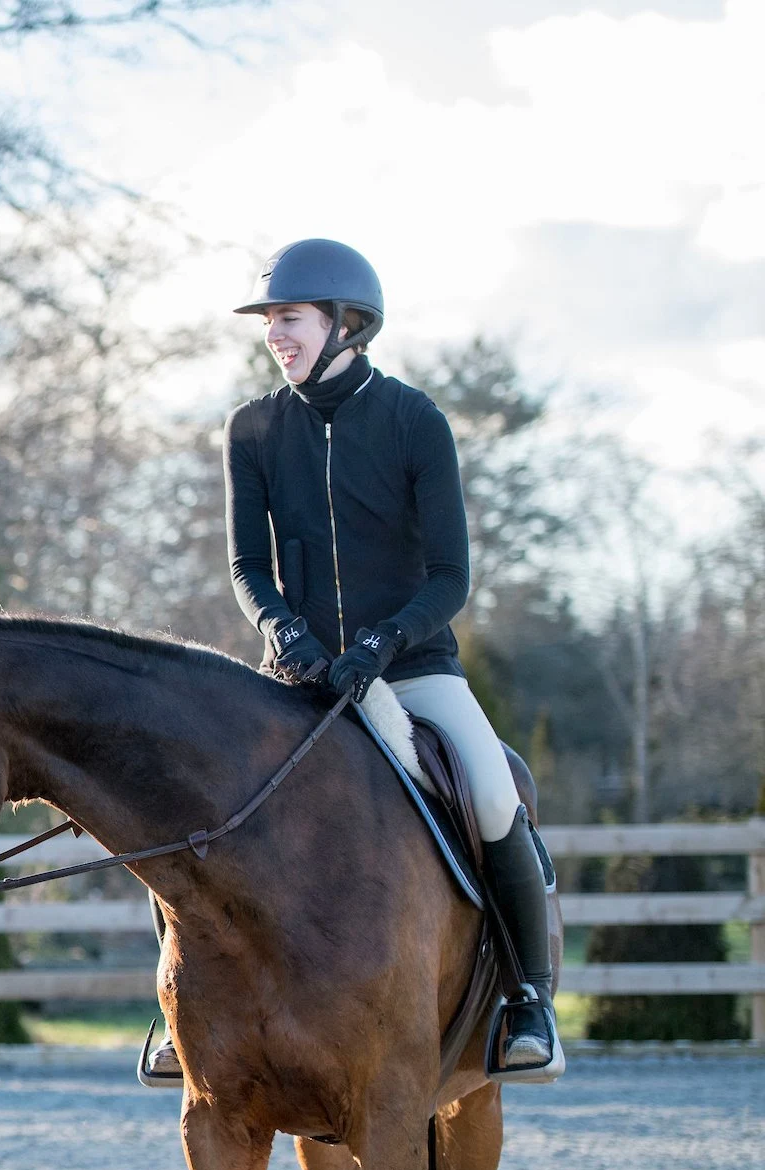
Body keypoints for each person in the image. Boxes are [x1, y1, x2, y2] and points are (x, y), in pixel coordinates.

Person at [140, 238, 558, 1086]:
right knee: (189, 808)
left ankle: (527, 1000)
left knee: (491, 793)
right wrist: (287, 634)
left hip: (412, 667)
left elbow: (450, 576)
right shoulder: (253, 428)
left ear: (346, 323)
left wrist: (381, 642)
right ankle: (183, 1013)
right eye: (269, 320)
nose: (275, 335)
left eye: (290, 318)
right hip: (294, 678)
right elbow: (247, 567)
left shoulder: (414, 421)